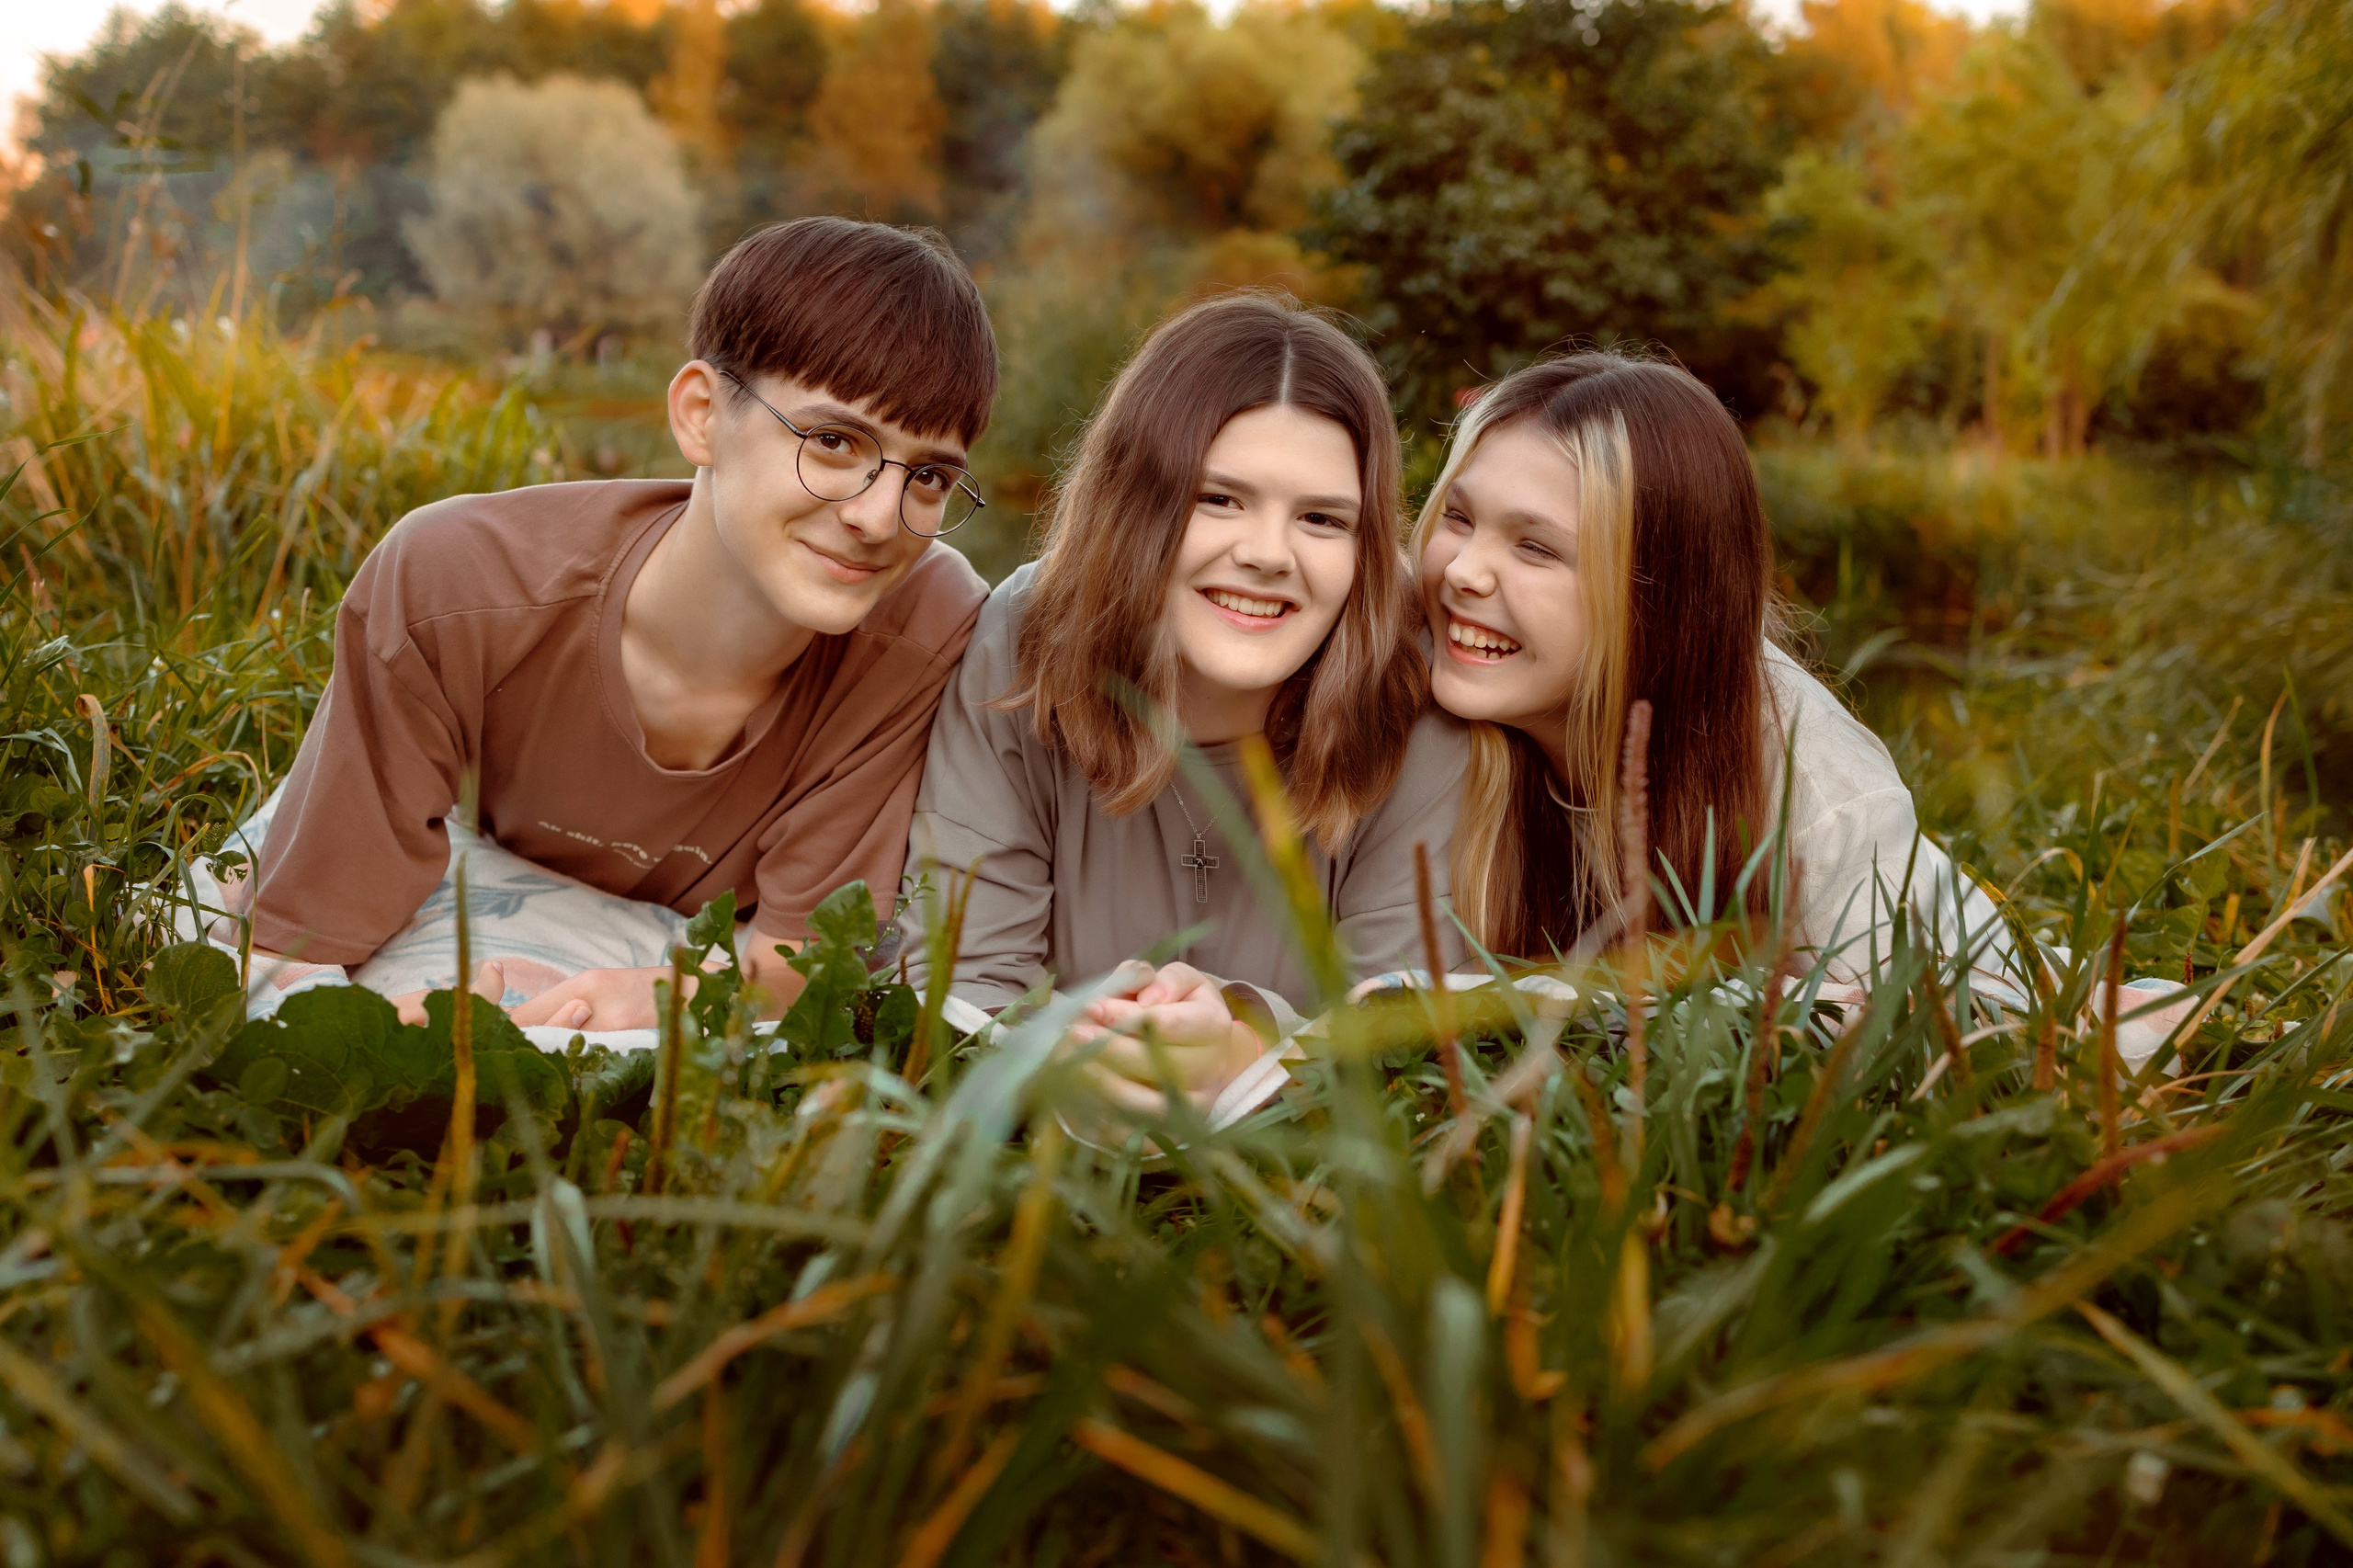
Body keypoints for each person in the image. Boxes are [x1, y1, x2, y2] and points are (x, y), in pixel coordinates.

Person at [234, 217, 996, 1029]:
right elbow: (299, 947)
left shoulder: (925, 625)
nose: (881, 519)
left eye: (929, 476)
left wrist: (667, 995)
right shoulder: (454, 580)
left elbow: (797, 961)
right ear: (701, 414)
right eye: (835, 440)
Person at [903, 292, 1468, 1118]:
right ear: (1136, 505)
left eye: (1320, 518)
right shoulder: (1024, 638)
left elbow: (1408, 1029)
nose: (1267, 555)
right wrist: (1077, 1050)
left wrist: (1245, 1045)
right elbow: (956, 990)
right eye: (1219, 499)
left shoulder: (1411, 674)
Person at [1413, 350, 2019, 993]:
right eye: (1459, 517)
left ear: (1657, 596)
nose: (1461, 572)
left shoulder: (1810, 794)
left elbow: (1968, 1028)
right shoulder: (1412, 650)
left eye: (1535, 546)